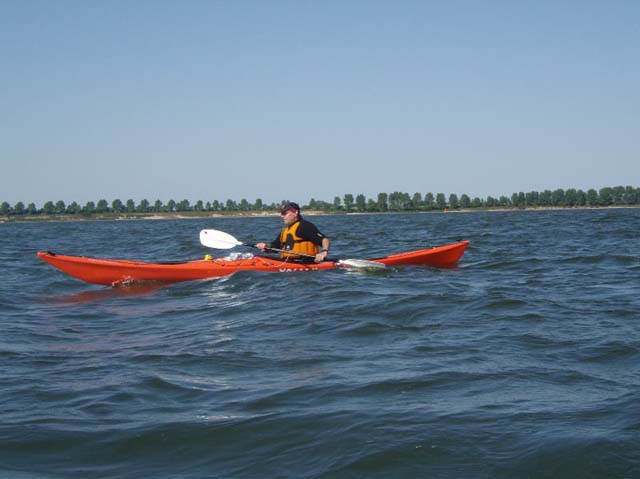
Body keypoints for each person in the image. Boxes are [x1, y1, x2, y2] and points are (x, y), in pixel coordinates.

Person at [256, 202, 330, 263]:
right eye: (281, 213)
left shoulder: (305, 226)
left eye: (284, 213)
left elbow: (324, 239)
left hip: (305, 262)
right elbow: (276, 246)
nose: (282, 216)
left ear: (295, 213)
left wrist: (324, 252)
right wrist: (266, 247)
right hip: (287, 262)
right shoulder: (285, 230)